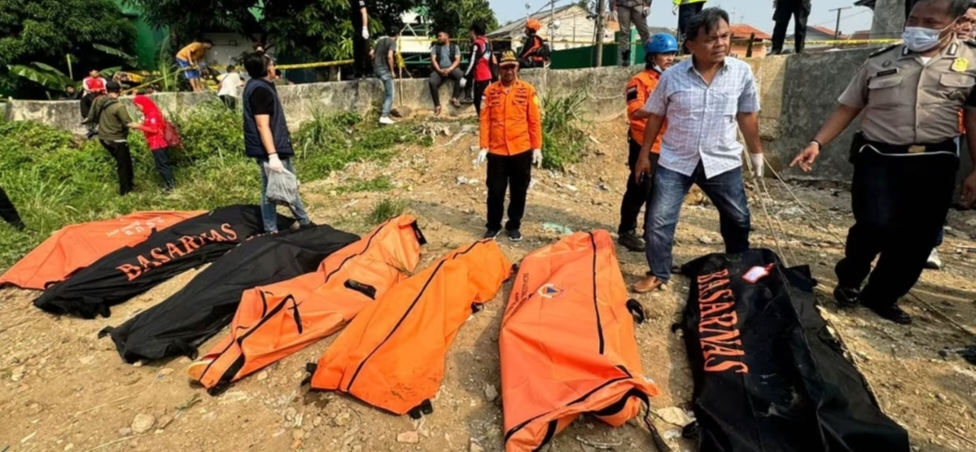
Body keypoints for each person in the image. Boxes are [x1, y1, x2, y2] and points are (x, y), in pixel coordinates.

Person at [790, 0, 976, 325]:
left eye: (930, 21)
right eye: (914, 19)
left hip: (936, 160)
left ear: (954, 22)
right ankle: (850, 278)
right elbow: (848, 107)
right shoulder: (881, 60)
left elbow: (974, 119)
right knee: (873, 224)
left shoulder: (971, 61)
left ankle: (882, 295)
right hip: (879, 157)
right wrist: (817, 142)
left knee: (917, 238)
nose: (918, 27)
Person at [632, 8, 764, 293]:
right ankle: (658, 272)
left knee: (738, 218)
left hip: (722, 160)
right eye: (711, 39)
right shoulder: (672, 77)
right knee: (658, 220)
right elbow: (655, 115)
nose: (720, 44)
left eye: (725, 36)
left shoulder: (741, 73)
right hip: (676, 160)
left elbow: (747, 115)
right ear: (690, 44)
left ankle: (736, 268)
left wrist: (756, 155)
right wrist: (644, 156)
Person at [242, 52, 315, 233]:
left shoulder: (261, 86)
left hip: (275, 145)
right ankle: (282, 227)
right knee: (274, 190)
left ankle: (297, 222)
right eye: (272, 64)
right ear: (267, 68)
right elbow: (262, 125)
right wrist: (272, 155)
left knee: (280, 186)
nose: (275, 67)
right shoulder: (260, 90)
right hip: (271, 148)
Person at [618, 34, 678, 253]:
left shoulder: (674, 80)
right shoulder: (639, 81)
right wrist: (661, 109)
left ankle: (653, 232)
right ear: (653, 57)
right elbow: (635, 111)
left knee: (661, 192)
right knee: (639, 188)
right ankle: (626, 231)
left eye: (672, 53)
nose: (670, 58)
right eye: (665, 54)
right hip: (643, 142)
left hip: (668, 144)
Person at [476, 51, 543, 242]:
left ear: (517, 68)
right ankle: (493, 225)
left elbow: (534, 121)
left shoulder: (528, 90)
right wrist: (484, 146)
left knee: (519, 191)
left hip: (521, 149)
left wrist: (536, 147)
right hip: (497, 151)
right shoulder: (490, 91)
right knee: (495, 191)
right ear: (499, 69)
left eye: (512, 67)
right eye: (505, 67)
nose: (509, 71)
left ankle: (514, 224)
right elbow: (485, 120)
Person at [929, 0, 976, 270]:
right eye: (963, 20)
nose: (967, 27)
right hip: (916, 132)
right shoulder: (926, 52)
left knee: (938, 192)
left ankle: (930, 245)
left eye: (973, 22)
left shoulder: (972, 60)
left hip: (951, 135)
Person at [87, 81, 135, 196]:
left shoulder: (99, 101)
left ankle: (129, 185)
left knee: (124, 162)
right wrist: (144, 126)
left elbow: (92, 117)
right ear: (120, 91)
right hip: (116, 139)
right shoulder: (119, 106)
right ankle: (125, 190)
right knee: (124, 164)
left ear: (106, 90)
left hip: (103, 138)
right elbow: (127, 123)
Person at [129, 95, 176, 192]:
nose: (137, 108)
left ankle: (171, 186)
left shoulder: (152, 114)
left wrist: (139, 126)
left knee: (163, 165)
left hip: (158, 143)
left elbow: (154, 130)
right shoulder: (149, 113)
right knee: (161, 165)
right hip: (154, 143)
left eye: (137, 106)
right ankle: (168, 185)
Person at [463, 22, 495, 116]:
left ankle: (483, 120)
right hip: (488, 75)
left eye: (470, 32)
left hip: (480, 76)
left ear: (473, 31)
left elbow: (472, 61)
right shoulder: (488, 42)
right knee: (486, 100)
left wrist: (465, 76)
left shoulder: (477, 44)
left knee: (478, 101)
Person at [428, 31, 463, 115]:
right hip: (439, 70)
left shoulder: (454, 47)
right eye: (438, 36)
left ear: (446, 36)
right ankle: (437, 105)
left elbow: (457, 59)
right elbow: (433, 59)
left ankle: (455, 97)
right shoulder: (435, 47)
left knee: (462, 76)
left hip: (452, 69)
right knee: (432, 82)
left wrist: (450, 69)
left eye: (440, 36)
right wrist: (439, 70)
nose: (438, 38)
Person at [611, 1, 652, 66]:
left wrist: (647, 5)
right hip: (622, 5)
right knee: (624, 34)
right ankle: (624, 60)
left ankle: (651, 58)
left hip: (638, 4)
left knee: (645, 32)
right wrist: (613, 8)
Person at [373, 27, 399, 125]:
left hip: (376, 68)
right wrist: (392, 71)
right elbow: (389, 56)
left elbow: (371, 53)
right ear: (397, 35)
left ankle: (385, 114)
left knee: (387, 92)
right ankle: (384, 116)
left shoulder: (380, 41)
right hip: (384, 69)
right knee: (390, 94)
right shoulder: (392, 42)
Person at [350, 0, 371, 79]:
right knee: (357, 51)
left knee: (365, 50)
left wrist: (364, 28)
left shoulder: (359, 1)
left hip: (362, 29)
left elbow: (364, 13)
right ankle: (358, 72)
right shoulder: (352, 3)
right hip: (357, 30)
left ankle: (367, 71)